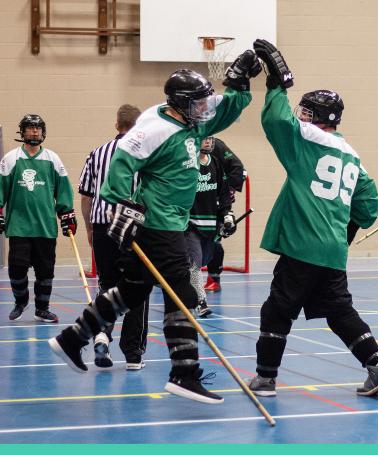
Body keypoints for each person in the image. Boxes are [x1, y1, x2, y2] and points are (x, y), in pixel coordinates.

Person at [48, 51, 261, 405]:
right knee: (186, 294)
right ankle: (184, 373)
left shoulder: (194, 122)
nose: (205, 107)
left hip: (173, 222)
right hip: (158, 226)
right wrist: (123, 205)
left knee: (131, 292)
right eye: (199, 102)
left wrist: (240, 83)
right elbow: (121, 162)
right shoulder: (155, 127)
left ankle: (72, 338)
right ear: (181, 103)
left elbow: (225, 110)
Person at [246, 39, 378, 398]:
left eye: (305, 111)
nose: (300, 115)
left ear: (315, 116)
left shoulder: (308, 139)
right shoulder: (351, 154)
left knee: (278, 308)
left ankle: (265, 378)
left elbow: (276, 120)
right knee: (338, 309)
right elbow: (369, 206)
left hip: (303, 243)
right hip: (331, 248)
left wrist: (276, 84)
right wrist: (342, 232)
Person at [79, 104, 150, 370]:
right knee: (137, 288)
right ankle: (133, 353)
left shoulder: (97, 153)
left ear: (116, 124)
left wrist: (88, 227)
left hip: (101, 227)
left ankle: (101, 335)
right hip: (132, 228)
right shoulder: (145, 153)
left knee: (107, 286)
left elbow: (85, 196)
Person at [0, 114, 76, 323]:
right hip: (19, 226)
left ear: (43, 132)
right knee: (16, 268)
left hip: (45, 227)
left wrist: (67, 213)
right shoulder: (11, 159)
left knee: (45, 272)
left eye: (37, 128)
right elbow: (0, 190)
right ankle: (20, 301)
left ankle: (42, 309)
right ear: (22, 132)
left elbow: (63, 191)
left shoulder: (53, 159)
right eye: (30, 128)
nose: (34, 131)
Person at [186, 137, 235, 317]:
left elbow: (223, 193)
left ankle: (182, 288)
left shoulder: (215, 163)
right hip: (190, 223)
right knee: (195, 264)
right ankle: (200, 301)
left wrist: (227, 217)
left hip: (210, 224)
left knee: (206, 258)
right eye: (204, 138)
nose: (208, 142)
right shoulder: (188, 164)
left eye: (209, 138)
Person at [204, 138, 246, 293]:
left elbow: (238, 168)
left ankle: (214, 279)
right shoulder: (186, 143)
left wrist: (229, 191)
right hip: (194, 202)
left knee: (214, 240)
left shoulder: (217, 145)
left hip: (214, 203)